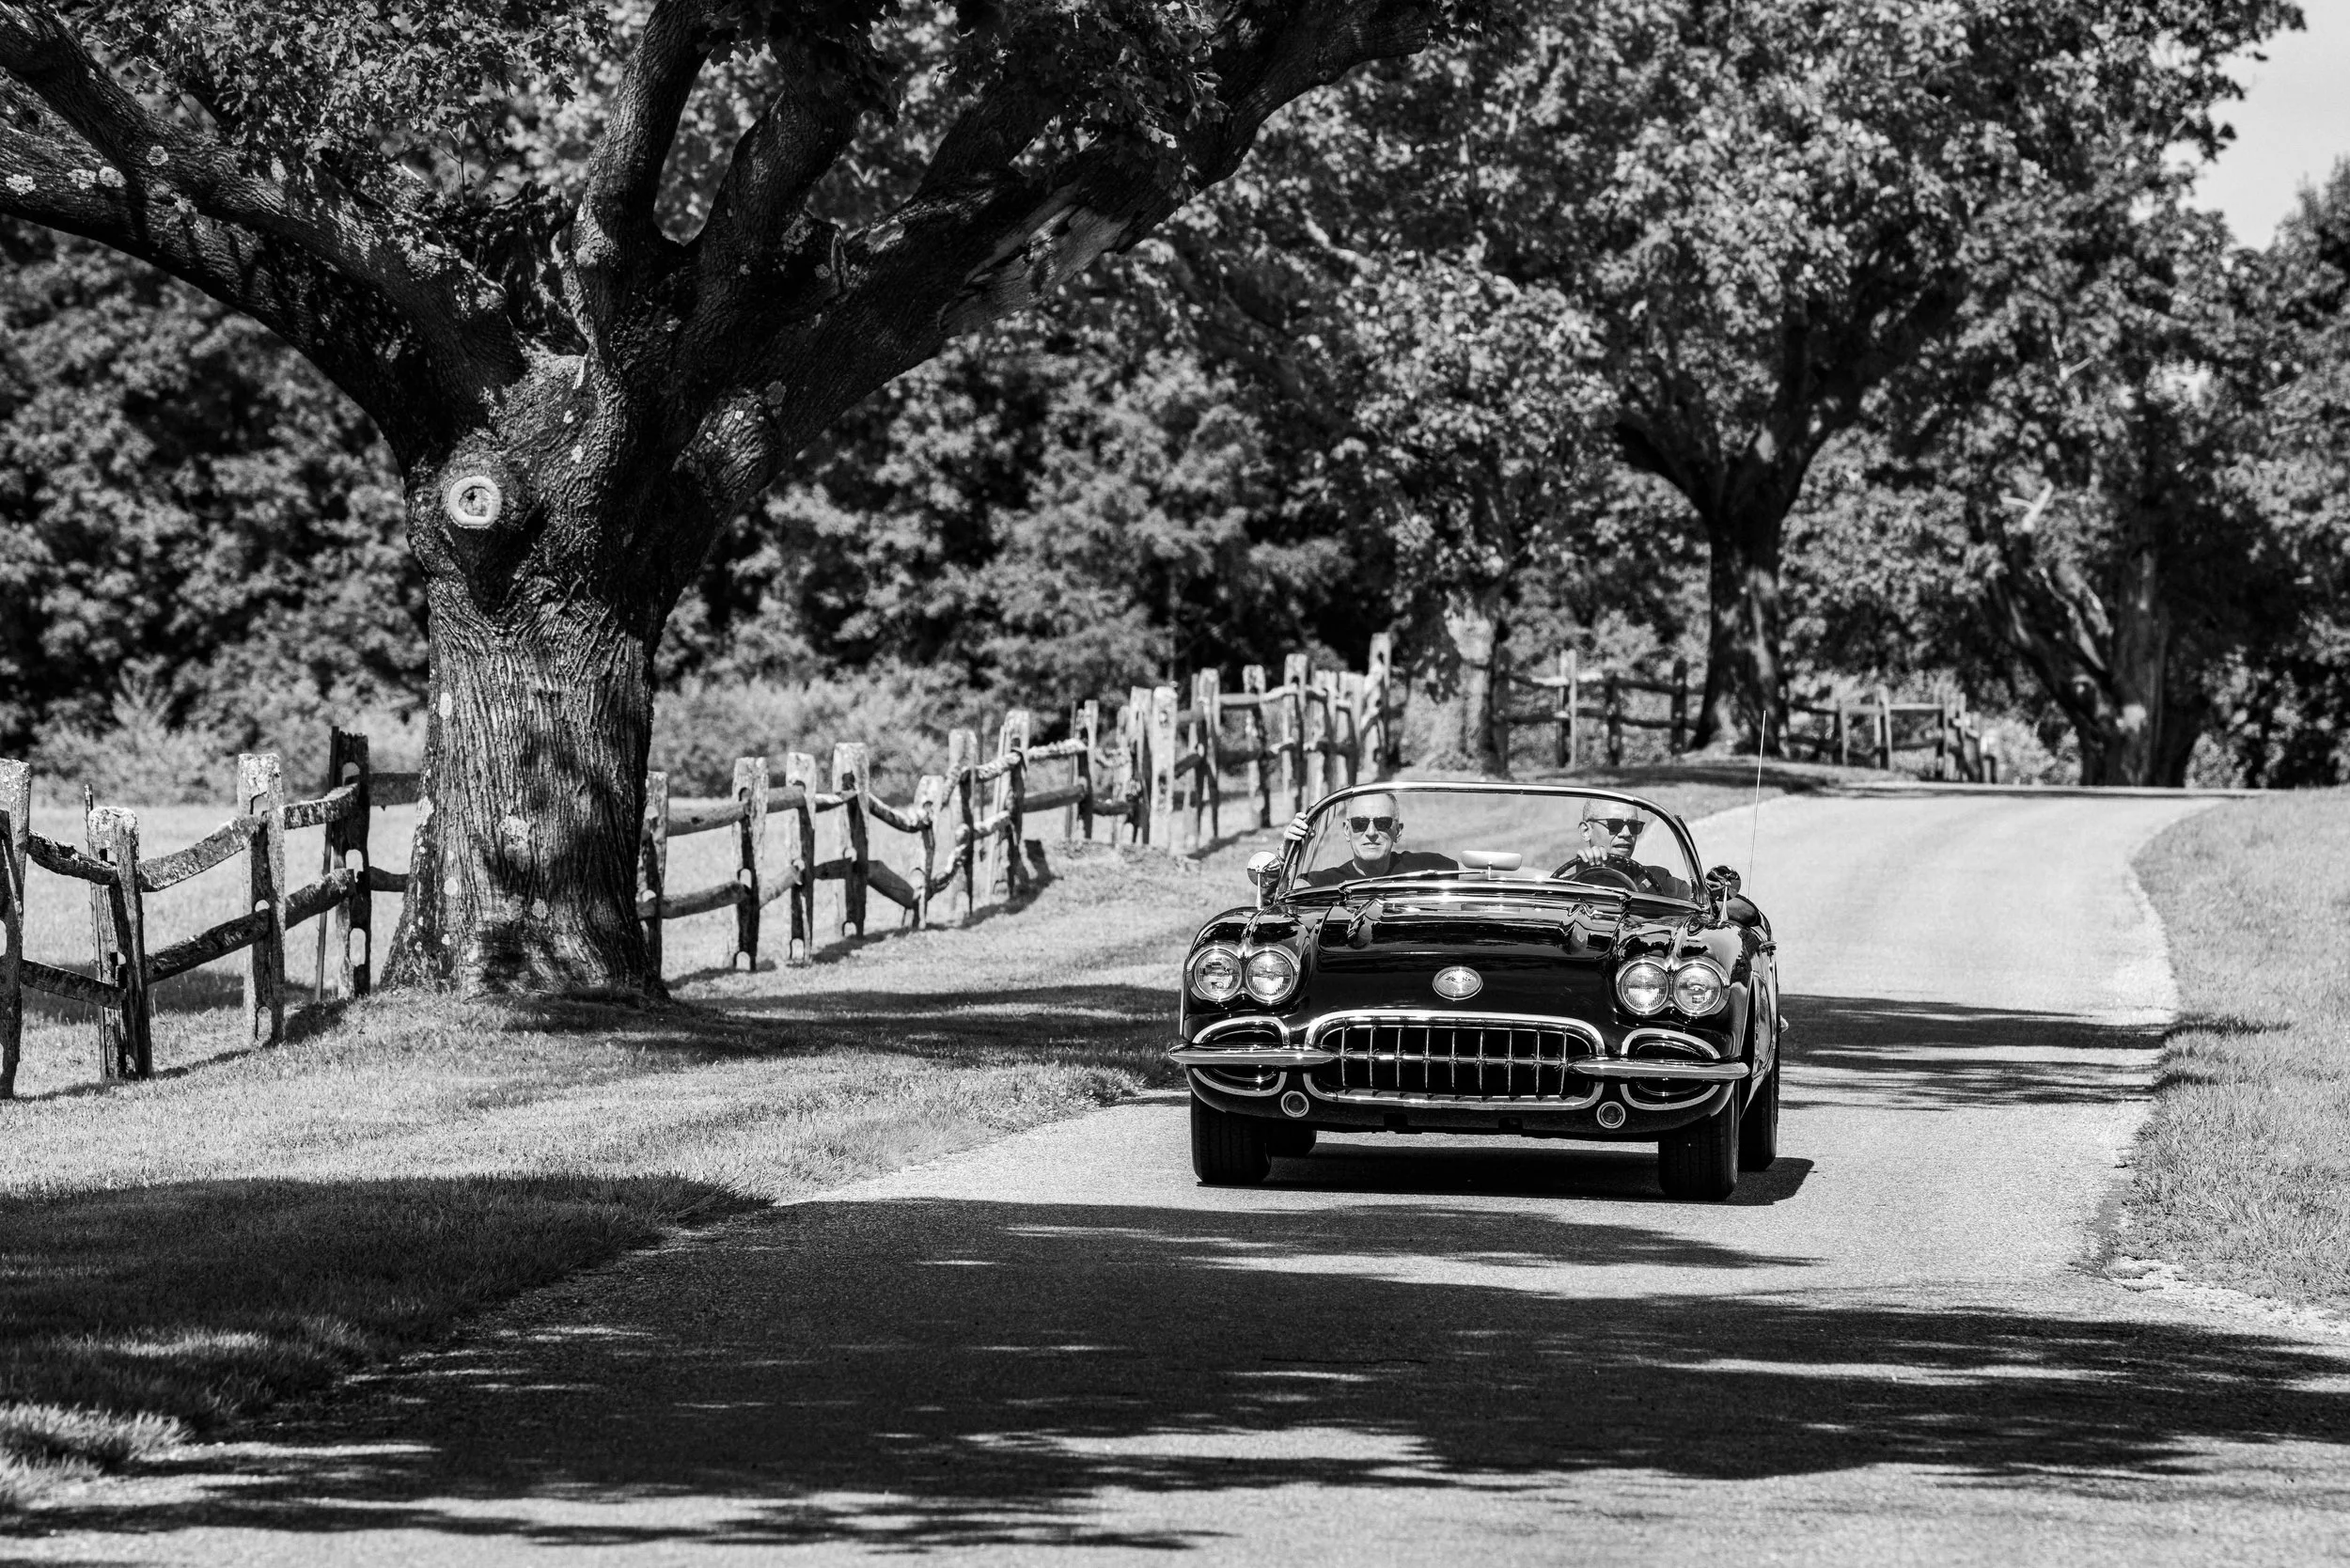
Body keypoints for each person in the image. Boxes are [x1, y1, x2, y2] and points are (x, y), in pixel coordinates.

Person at [1282, 791, 1458, 888]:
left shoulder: (1428, 869)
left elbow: (1473, 874)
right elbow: (1278, 896)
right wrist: (1286, 853)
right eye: (1360, 823)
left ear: (1398, 831)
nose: (1371, 832)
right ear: (1347, 831)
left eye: (1382, 823)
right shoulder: (1325, 884)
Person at [1553, 799, 1693, 899]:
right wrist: (1581, 882)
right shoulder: (1559, 889)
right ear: (1586, 831)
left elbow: (1695, 903)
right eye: (1614, 825)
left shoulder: (1660, 881)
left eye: (1634, 826)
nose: (1626, 833)